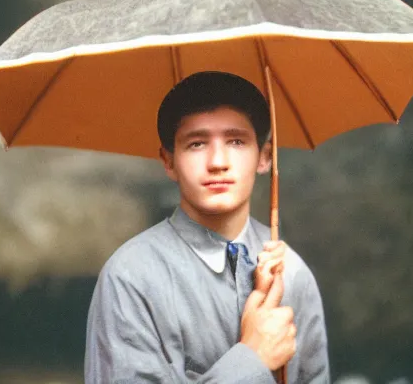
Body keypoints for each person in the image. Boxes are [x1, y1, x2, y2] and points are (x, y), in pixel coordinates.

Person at [84, 71, 329, 383]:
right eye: (197, 144)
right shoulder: (130, 278)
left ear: (265, 157)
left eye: (236, 141)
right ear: (168, 161)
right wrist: (252, 359)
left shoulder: (291, 271)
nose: (217, 161)